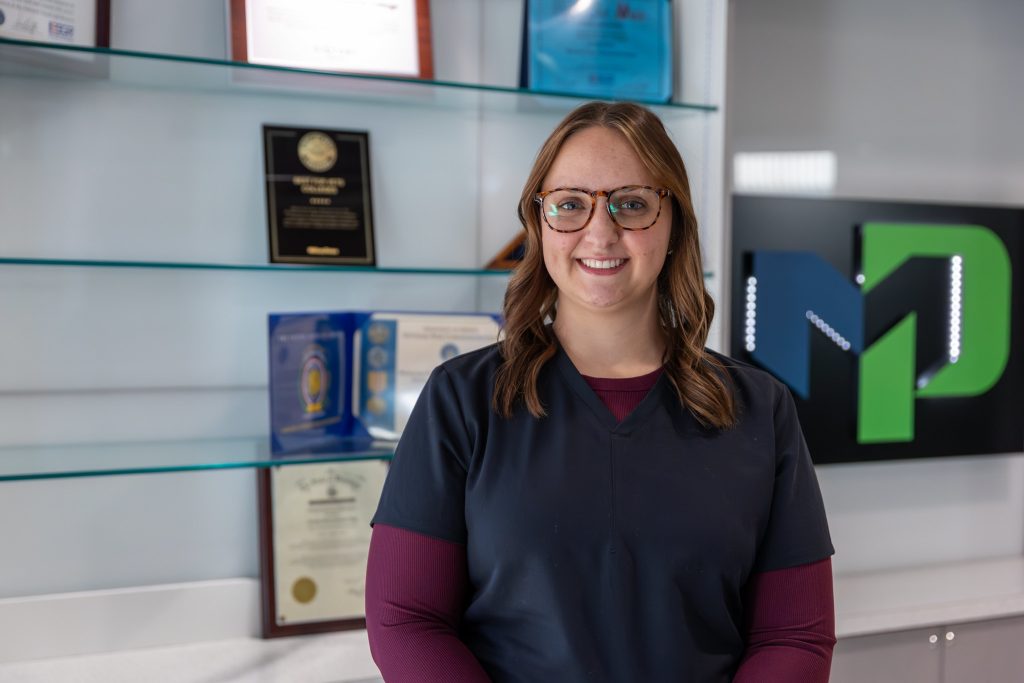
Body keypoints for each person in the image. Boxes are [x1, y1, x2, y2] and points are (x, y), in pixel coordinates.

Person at [365, 102, 835, 682]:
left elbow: (795, 635)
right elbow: (406, 619)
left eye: (631, 204)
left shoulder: (760, 408)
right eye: (570, 204)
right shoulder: (461, 401)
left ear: (674, 223)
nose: (600, 231)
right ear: (539, 224)